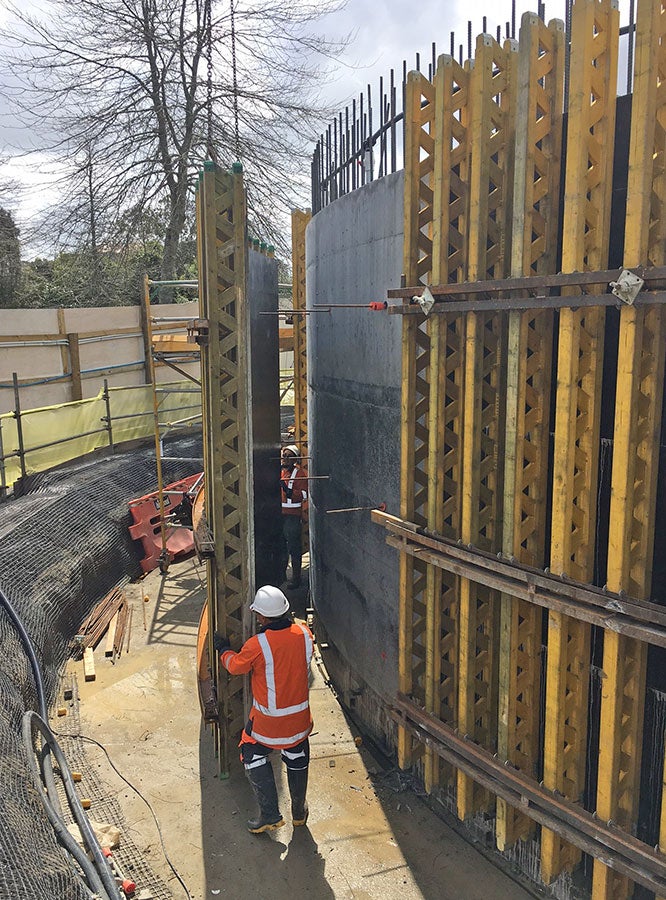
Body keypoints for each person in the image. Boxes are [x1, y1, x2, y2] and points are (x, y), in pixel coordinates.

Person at [213, 585, 314, 833]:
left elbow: (235, 666)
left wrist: (223, 649)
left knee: (252, 753)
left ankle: (270, 815)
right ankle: (299, 813)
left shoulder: (257, 645)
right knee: (297, 756)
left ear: (261, 617)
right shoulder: (304, 634)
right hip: (300, 720)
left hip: (269, 723)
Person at [280, 444, 308, 588]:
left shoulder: (300, 474)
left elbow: (305, 494)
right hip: (280, 516)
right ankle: (281, 576)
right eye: (284, 456)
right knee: (281, 548)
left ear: (295, 459)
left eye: (288, 457)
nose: (285, 459)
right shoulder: (281, 472)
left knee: (294, 548)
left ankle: (296, 579)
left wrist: (289, 492)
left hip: (292, 516)